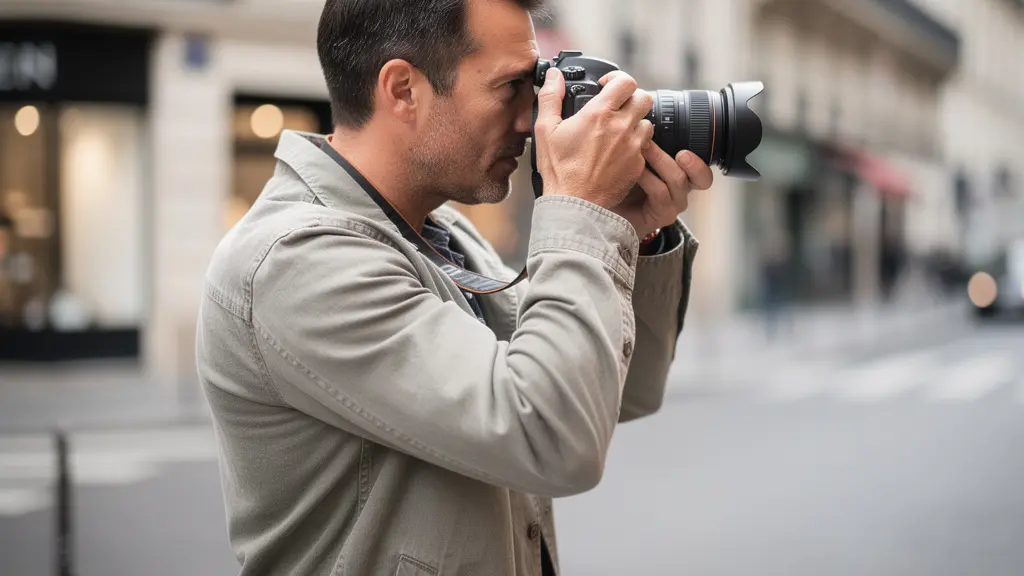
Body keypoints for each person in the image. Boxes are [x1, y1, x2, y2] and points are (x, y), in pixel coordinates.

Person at [196, 0, 713, 574]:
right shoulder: (295, 261)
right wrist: (579, 212)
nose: (529, 119)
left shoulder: (446, 238)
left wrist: (630, 232)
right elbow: (553, 435)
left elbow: (614, 394)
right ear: (403, 90)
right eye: (512, 87)